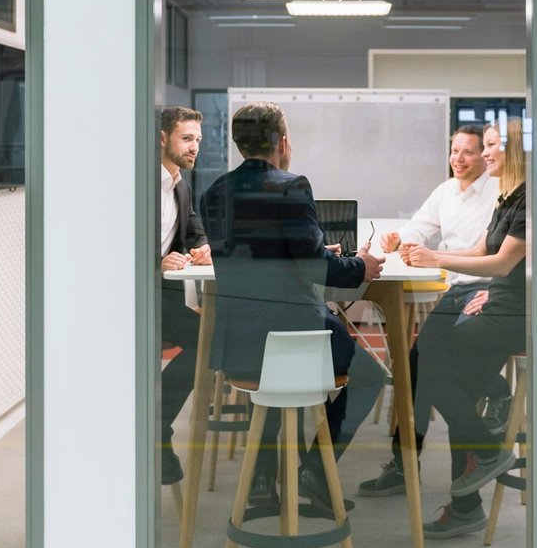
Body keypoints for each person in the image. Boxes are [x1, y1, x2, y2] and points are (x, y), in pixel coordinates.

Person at [198, 101, 388, 516]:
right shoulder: (291, 185)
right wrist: (362, 266)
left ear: (238, 143)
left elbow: (264, 259)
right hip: (296, 339)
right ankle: (313, 474)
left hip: (241, 346)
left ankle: (263, 481)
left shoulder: (213, 193)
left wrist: (318, 250)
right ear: (283, 142)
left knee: (272, 381)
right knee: (371, 375)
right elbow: (315, 268)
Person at [399, 117, 529, 538]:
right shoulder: (510, 198)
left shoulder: (530, 199)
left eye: (493, 146)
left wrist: (437, 260)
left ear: (516, 151)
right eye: (484, 145)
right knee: (436, 371)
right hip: (496, 299)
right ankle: (467, 500)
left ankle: (487, 456)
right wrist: (429, 253)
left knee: (431, 372)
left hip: (513, 314)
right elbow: (483, 251)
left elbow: (504, 263)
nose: (486, 153)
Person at [360, 125, 501, 498]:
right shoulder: (445, 192)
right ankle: (404, 465)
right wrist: (398, 239)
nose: (459, 159)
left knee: (436, 368)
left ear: (485, 157)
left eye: (470, 151)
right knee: (415, 366)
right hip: (456, 291)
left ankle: (494, 402)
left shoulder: (498, 193)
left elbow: (500, 255)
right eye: (455, 151)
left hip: (485, 292)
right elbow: (417, 229)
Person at [157, 106, 212, 485]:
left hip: (164, 296)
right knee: (205, 341)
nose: (194, 147)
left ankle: (157, 427)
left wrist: (204, 246)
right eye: (186, 139)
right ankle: (158, 428)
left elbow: (194, 230)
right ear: (163, 138)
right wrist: (157, 261)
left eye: (197, 140)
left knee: (206, 341)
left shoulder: (181, 184)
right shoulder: (137, 181)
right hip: (131, 298)